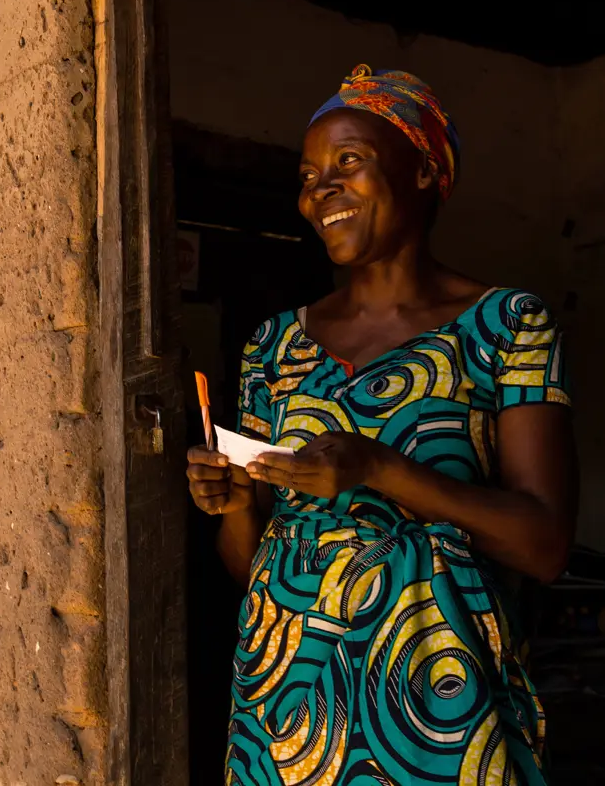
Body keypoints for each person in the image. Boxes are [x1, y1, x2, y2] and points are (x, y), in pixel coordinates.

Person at [185, 65, 577, 785]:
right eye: (307, 175)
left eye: (348, 163)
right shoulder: (274, 347)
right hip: (290, 709)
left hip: (439, 707)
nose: (319, 191)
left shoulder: (505, 326)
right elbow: (253, 565)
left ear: (424, 170)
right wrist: (239, 510)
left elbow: (544, 544)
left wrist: (380, 469)